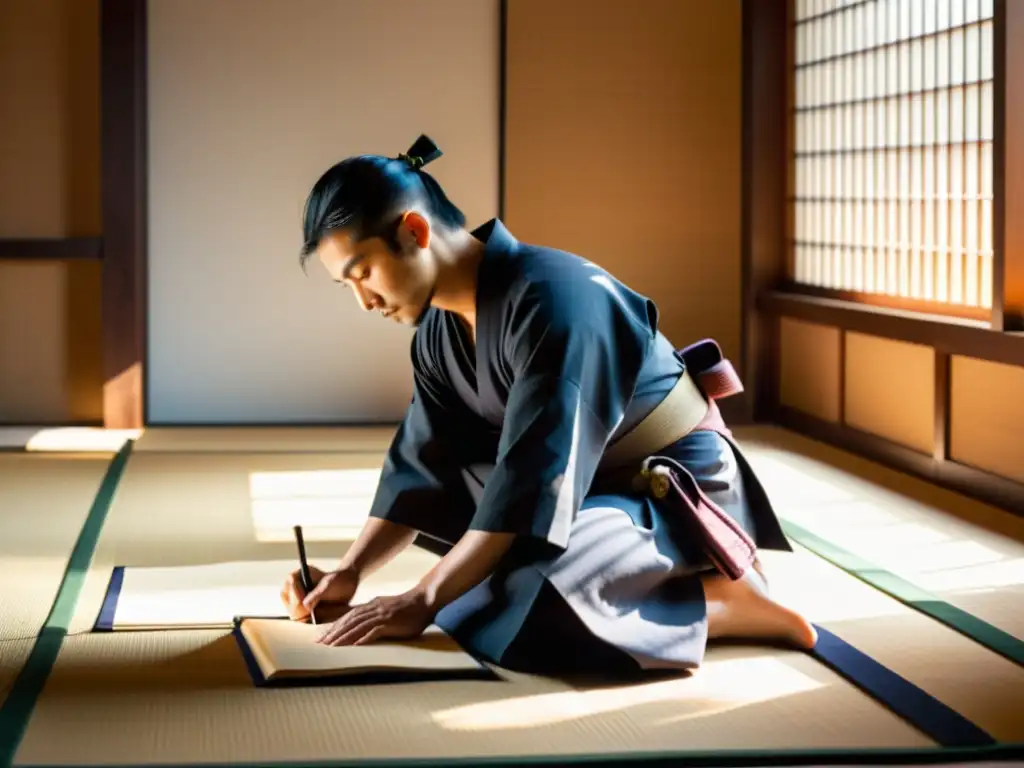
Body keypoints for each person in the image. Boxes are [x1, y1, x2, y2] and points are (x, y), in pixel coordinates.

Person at [279, 135, 817, 677]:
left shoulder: (557, 300)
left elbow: (532, 478)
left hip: (669, 488)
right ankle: (610, 586)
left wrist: (421, 599)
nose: (364, 301)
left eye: (362, 273)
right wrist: (350, 574)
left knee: (519, 607)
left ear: (413, 231)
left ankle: (725, 603)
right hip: (582, 488)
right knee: (472, 590)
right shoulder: (436, 335)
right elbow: (423, 465)